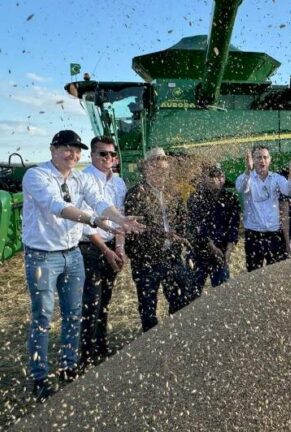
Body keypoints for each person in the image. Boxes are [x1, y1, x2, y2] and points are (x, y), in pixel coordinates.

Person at [22, 130, 142, 401]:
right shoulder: (36, 176)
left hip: (72, 253)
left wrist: (119, 220)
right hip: (42, 255)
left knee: (74, 313)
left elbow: (101, 202)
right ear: (53, 149)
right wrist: (95, 221)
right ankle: (40, 377)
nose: (72, 155)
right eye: (66, 149)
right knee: (43, 315)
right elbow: (58, 206)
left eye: (76, 150)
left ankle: (68, 365)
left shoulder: (78, 178)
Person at [124, 148, 196, 331]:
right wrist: (164, 235)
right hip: (145, 260)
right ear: (147, 168)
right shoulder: (135, 194)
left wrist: (182, 237)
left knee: (181, 299)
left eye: (164, 169)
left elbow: (183, 221)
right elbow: (136, 229)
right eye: (156, 168)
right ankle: (151, 346)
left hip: (171, 256)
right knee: (148, 307)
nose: (161, 172)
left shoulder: (175, 193)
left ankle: (176, 336)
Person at [78, 136, 127, 367]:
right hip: (90, 247)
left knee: (105, 300)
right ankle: (86, 354)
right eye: (102, 154)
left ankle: (101, 345)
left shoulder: (119, 183)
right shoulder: (83, 179)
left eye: (111, 154)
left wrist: (119, 247)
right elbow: (86, 224)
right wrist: (106, 250)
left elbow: (121, 217)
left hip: (111, 247)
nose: (108, 158)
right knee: (91, 301)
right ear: (92, 155)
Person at [236, 146, 291, 272]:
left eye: (265, 157)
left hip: (273, 233)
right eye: (258, 157)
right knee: (254, 274)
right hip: (254, 234)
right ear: (252, 160)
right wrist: (248, 170)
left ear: (270, 160)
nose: (262, 161)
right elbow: (241, 188)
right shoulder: (247, 178)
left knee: (275, 273)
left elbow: (290, 191)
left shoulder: (276, 178)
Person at [186, 163, 241, 289]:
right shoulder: (196, 198)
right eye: (212, 176)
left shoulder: (231, 199)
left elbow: (234, 227)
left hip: (221, 253)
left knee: (222, 293)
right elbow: (198, 226)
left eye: (220, 175)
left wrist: (228, 250)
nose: (216, 179)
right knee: (192, 294)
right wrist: (211, 246)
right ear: (204, 178)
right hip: (198, 253)